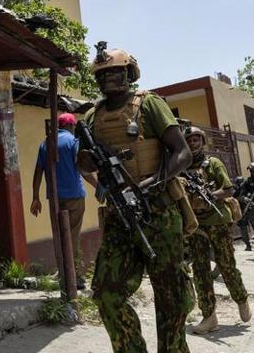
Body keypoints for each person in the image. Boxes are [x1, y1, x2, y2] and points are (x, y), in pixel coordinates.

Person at [78, 43, 195, 353]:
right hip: (119, 213)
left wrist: (152, 182)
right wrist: (88, 161)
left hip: (157, 208)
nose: (108, 79)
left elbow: (182, 152)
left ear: (129, 73)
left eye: (115, 72)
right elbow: (82, 160)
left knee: (170, 297)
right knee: (106, 292)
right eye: (102, 75)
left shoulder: (149, 104)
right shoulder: (93, 115)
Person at [182, 126, 251, 334]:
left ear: (202, 142)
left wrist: (211, 196)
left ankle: (241, 298)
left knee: (226, 265)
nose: (193, 144)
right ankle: (209, 317)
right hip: (196, 225)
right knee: (201, 271)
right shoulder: (182, 169)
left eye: (196, 140)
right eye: (189, 141)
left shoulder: (213, 163)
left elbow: (229, 189)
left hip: (218, 222)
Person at [30, 112, 93, 289]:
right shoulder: (74, 142)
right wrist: (99, 186)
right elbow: (84, 170)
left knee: (60, 236)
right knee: (73, 236)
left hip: (55, 199)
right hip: (74, 196)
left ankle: (69, 275)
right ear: (71, 126)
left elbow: (38, 171)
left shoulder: (45, 143)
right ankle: (73, 278)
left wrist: (35, 197)